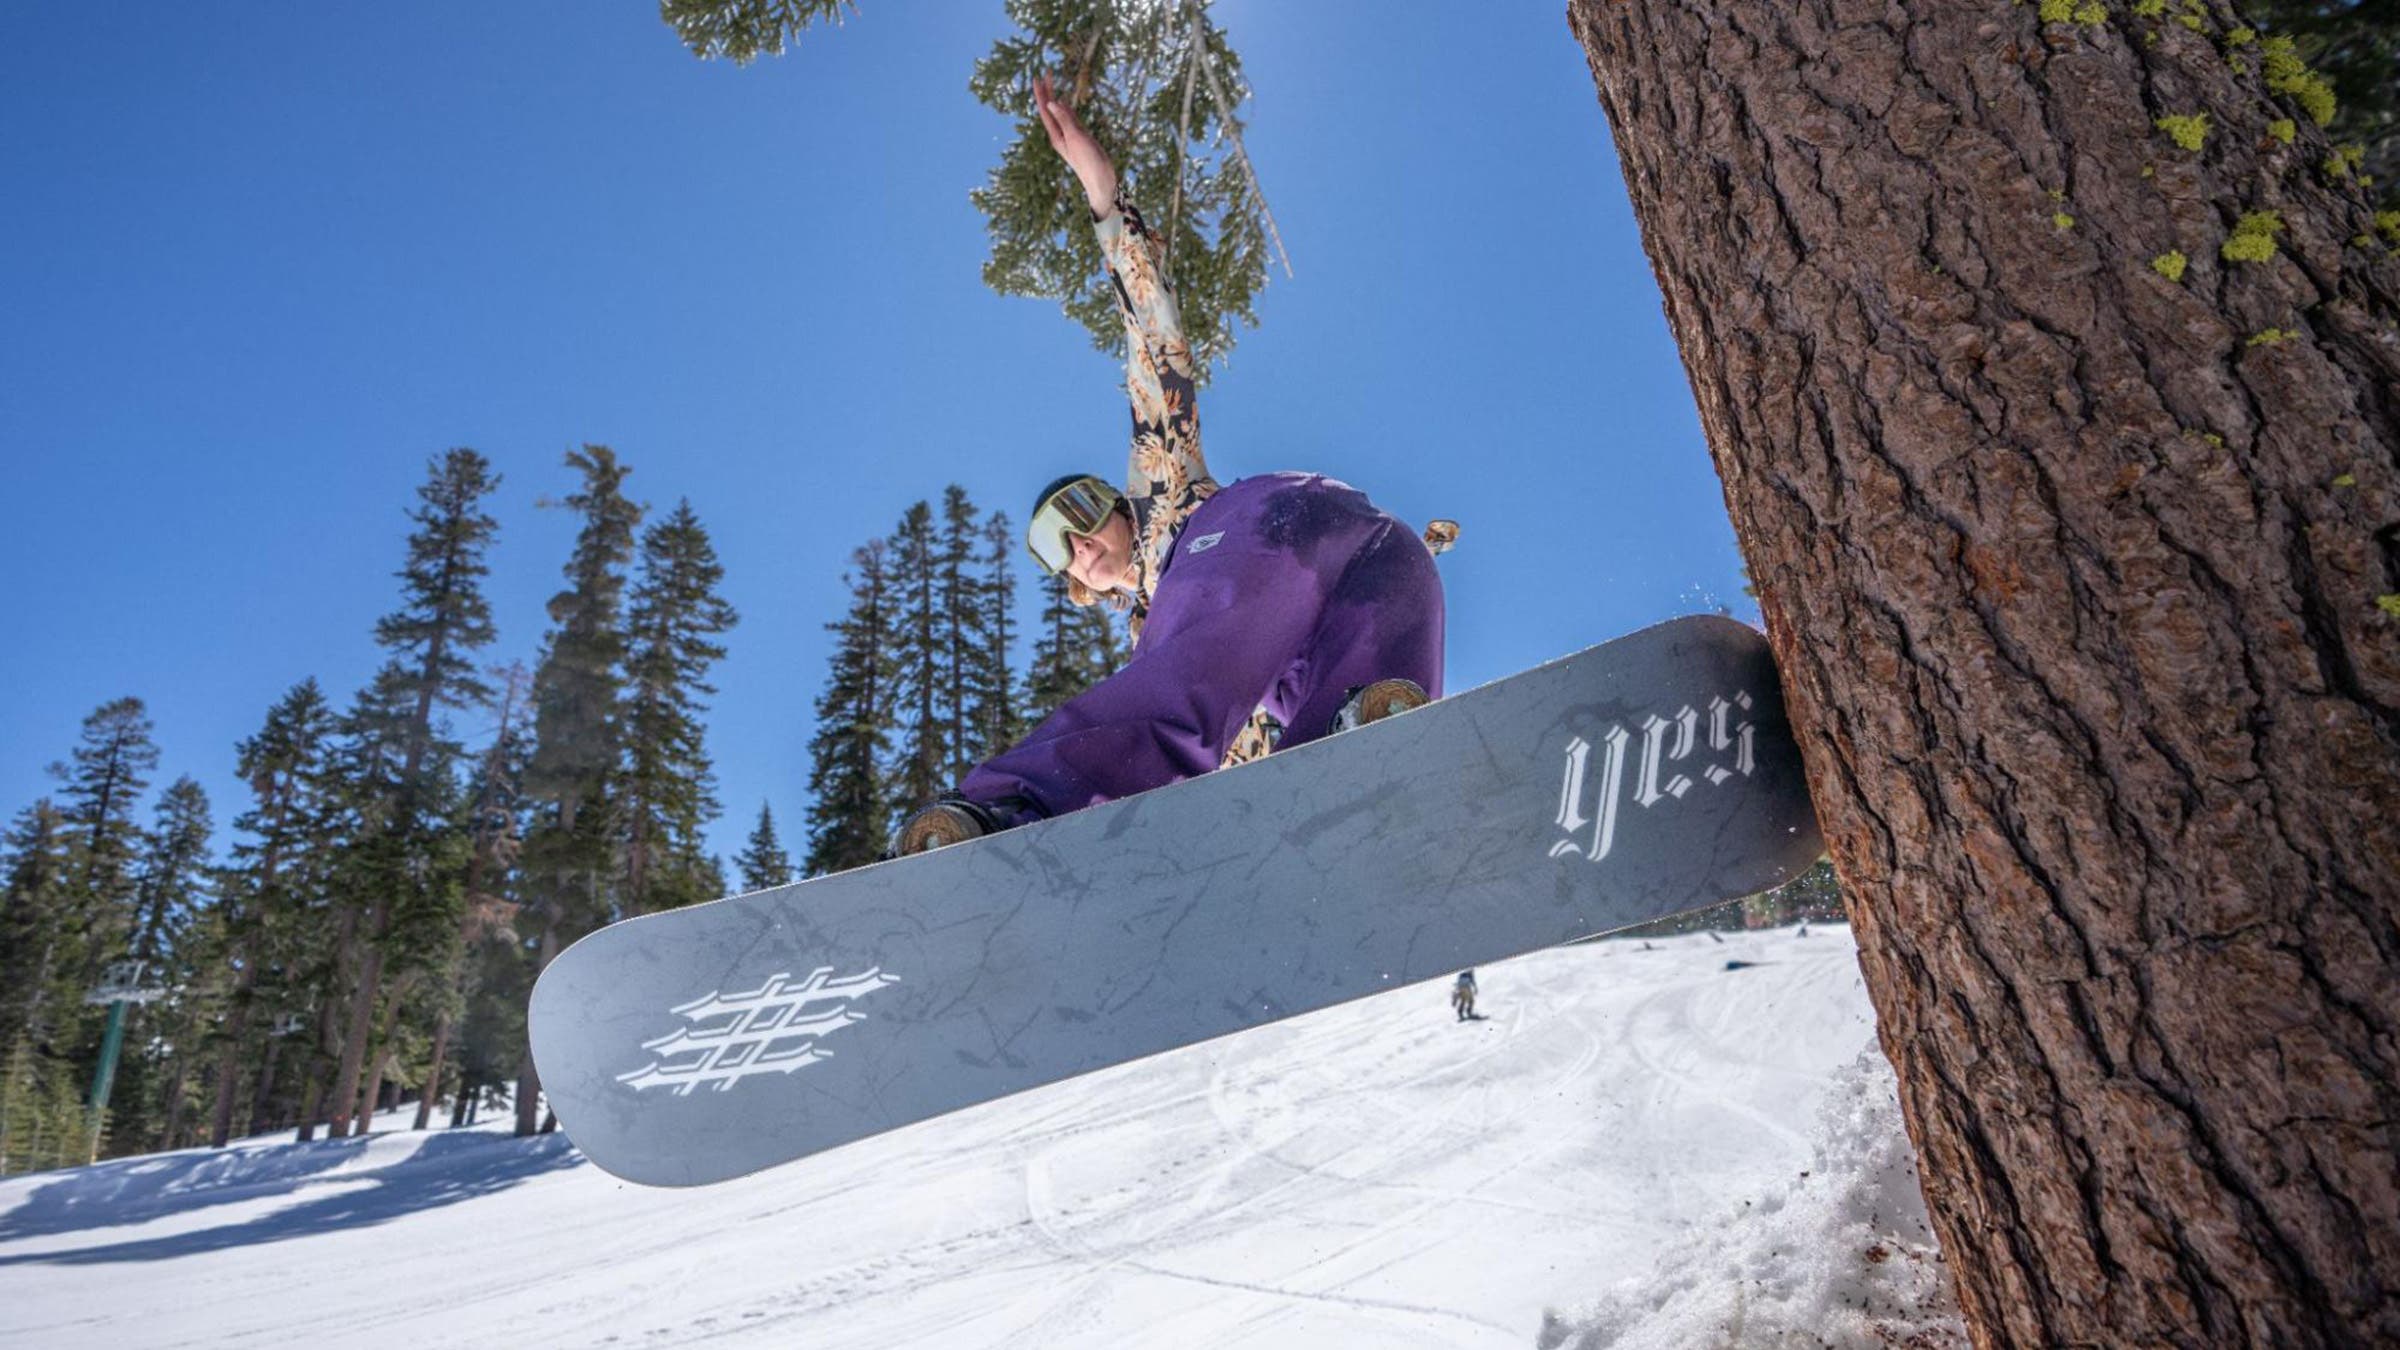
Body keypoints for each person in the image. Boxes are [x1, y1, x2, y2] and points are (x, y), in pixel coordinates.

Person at [897, 73, 1448, 855]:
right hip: (1392, 567)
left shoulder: (1163, 486)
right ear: (1077, 586)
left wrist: (1105, 203)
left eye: (1081, 511)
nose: (1079, 543)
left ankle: (1005, 819)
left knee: (1163, 710)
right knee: (1340, 752)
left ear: (1119, 504)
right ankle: (1368, 771)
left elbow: (1155, 348)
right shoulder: (1175, 636)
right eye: (1057, 548)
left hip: (1275, 526)